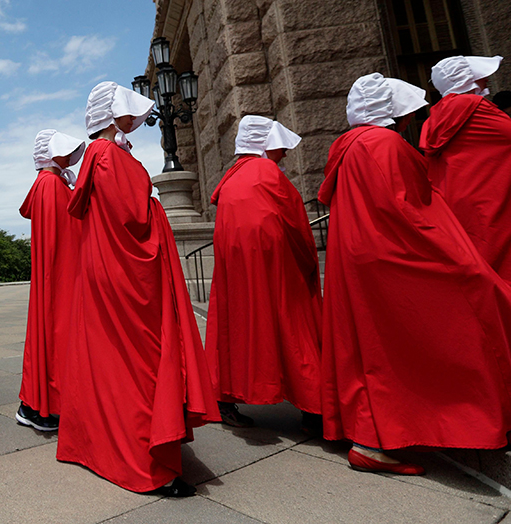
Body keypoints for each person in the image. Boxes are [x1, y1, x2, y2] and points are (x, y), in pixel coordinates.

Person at [320, 73, 511, 475]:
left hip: (360, 258)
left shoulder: (350, 146)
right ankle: (464, 418)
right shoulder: (384, 144)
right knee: (468, 309)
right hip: (391, 256)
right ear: (392, 114)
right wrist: (463, 261)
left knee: (374, 350)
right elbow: (414, 211)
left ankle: (370, 437)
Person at [58, 81, 220, 497]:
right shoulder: (109, 156)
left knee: (113, 360)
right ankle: (143, 462)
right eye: (129, 111)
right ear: (115, 117)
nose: (139, 116)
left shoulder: (99, 156)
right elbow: (133, 217)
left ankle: (103, 446)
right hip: (126, 273)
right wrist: (155, 206)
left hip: (105, 268)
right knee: (140, 361)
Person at [205, 116, 322, 433]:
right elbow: (297, 223)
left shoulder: (231, 179)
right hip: (276, 269)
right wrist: (309, 262)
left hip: (237, 269)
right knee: (294, 329)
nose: (284, 152)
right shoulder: (268, 173)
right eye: (279, 145)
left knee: (237, 329)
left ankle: (224, 396)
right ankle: (315, 405)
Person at [16, 129, 85, 432]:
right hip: (61, 275)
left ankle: (37, 404)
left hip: (55, 275)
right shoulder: (52, 185)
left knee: (49, 334)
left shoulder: (48, 184)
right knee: (54, 335)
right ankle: (38, 406)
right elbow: (70, 235)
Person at [420, 56, 511, 279]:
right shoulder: (473, 106)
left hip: (460, 199)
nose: (487, 80)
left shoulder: (437, 114)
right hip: (490, 196)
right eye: (481, 76)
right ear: (466, 80)